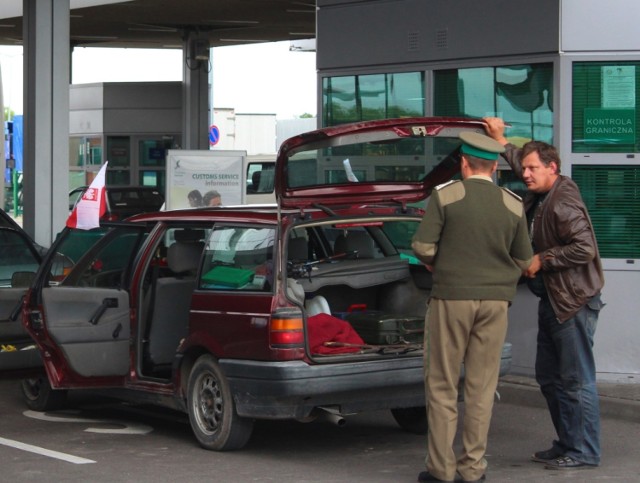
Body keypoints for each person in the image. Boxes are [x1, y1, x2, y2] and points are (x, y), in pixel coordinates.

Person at [484, 117, 605, 470]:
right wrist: (500, 140)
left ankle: (584, 451)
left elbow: (584, 248)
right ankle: (569, 443)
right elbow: (520, 159)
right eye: (524, 168)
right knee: (551, 379)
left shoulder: (562, 201)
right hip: (554, 299)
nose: (525, 174)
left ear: (553, 168)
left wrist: (542, 258)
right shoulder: (543, 192)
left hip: (573, 302)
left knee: (575, 380)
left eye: (533, 168)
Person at [412, 132, 533, 483]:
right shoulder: (513, 204)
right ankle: (473, 469)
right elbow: (525, 259)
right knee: (481, 387)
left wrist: (441, 260)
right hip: (496, 303)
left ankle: (441, 470)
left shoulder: (446, 197)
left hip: (452, 298)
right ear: (495, 167)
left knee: (442, 384)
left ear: (464, 164)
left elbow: (422, 246)